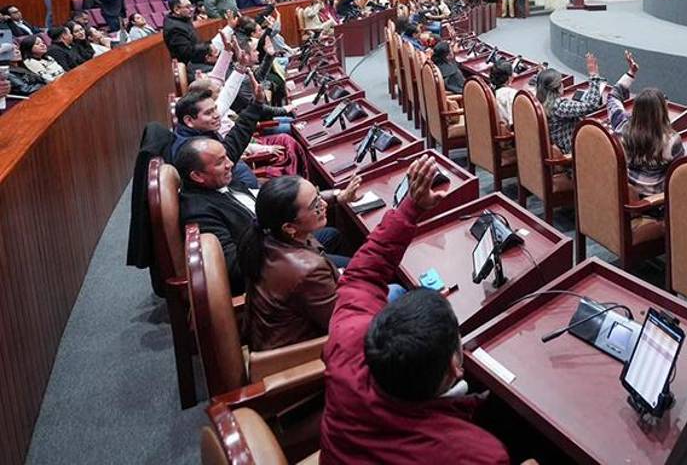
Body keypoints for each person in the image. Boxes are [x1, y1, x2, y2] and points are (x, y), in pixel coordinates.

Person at [320, 155, 510, 464]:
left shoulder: (345, 345)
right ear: (454, 367)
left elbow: (362, 275)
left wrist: (411, 208)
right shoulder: (474, 454)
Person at [176, 136, 342, 296]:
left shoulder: (220, 181)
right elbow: (235, 269)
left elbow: (265, 200)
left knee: (332, 234)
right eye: (220, 162)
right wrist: (288, 246)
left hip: (280, 241)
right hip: (273, 268)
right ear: (197, 176)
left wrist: (332, 196)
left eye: (226, 156)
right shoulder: (199, 213)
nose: (230, 164)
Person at [238, 174, 360, 351]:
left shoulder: (266, 236)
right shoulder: (308, 270)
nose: (323, 205)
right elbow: (344, 323)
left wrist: (337, 196)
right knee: (395, 291)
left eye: (319, 196)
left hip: (277, 335)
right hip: (298, 358)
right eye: (316, 205)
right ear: (289, 227)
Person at [607, 51, 683, 197]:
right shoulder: (672, 141)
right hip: (653, 203)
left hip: (623, 193)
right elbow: (679, 176)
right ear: (662, 111)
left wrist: (631, 73)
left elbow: (613, 96)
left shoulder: (621, 126)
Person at [171, 87, 266, 191]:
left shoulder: (202, 131)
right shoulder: (193, 147)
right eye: (208, 113)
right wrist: (255, 106)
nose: (216, 115)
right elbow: (232, 148)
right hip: (235, 196)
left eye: (215, 109)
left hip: (245, 187)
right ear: (189, 120)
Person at [536, 52, 603, 154]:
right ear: (557, 88)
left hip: (554, 146)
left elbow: (540, 83)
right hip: (571, 151)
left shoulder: (538, 100)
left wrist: (543, 74)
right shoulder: (559, 106)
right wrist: (594, 75)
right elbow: (591, 105)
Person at [163, 0, 218, 69]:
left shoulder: (183, 19)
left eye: (191, 6)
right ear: (177, 10)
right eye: (187, 7)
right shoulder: (174, 28)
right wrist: (207, 48)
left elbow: (194, 43)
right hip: (190, 66)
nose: (192, 9)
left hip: (197, 59)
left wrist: (209, 45)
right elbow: (186, 53)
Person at [489, 58, 518, 128]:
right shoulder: (511, 94)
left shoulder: (489, 91)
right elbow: (513, 124)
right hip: (508, 134)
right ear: (509, 78)